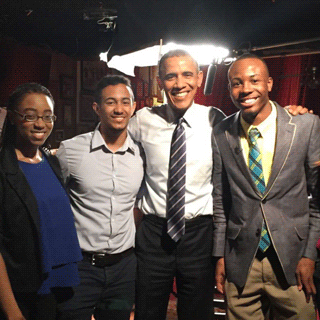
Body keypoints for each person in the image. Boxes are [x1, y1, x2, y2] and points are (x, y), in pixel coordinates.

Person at [213, 54, 320, 319]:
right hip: (241, 261)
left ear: (270, 83)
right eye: (236, 83)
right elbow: (220, 199)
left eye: (254, 80)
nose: (245, 89)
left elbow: (318, 200)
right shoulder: (221, 133)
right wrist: (220, 255)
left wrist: (309, 256)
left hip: (292, 262)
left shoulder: (305, 126)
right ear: (229, 89)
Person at [129, 49, 225, 320]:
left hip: (199, 235)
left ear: (199, 78)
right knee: (148, 310)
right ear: (160, 81)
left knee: (197, 313)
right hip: (153, 234)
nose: (179, 83)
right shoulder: (142, 121)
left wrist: (288, 113)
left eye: (187, 74)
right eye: (170, 76)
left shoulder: (215, 120)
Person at [56, 75, 144, 320]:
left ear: (134, 106)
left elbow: (139, 206)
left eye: (125, 102)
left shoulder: (140, 154)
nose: (119, 109)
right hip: (80, 267)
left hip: (123, 269)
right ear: (96, 108)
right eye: (110, 102)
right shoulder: (71, 150)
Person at [0, 83, 82, 320]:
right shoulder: (4, 170)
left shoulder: (51, 162)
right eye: (30, 116)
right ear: (13, 118)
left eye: (47, 116)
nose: (40, 124)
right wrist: (12, 312)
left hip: (60, 289)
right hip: (23, 294)